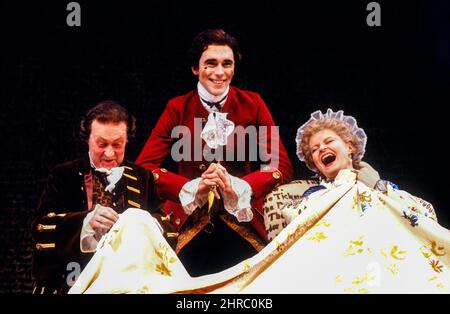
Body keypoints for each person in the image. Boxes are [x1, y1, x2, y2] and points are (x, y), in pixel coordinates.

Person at [69, 108, 449, 294]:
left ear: (349, 146)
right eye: (315, 149)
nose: (322, 150)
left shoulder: (388, 189)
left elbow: (420, 219)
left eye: (329, 143)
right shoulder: (296, 195)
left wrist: (369, 186)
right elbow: (289, 244)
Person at [136, 29, 293, 276]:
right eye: (210, 64)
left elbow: (281, 167)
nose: (220, 72)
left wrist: (240, 186)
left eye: (227, 64)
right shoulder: (177, 107)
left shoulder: (253, 104)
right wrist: (191, 187)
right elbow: (144, 169)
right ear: (195, 69)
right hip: (187, 221)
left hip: (245, 219)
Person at [31, 100, 172, 294]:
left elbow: (168, 229)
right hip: (73, 283)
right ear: (87, 139)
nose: (109, 153)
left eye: (117, 145)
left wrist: (143, 222)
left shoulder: (142, 176)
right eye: (101, 144)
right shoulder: (63, 175)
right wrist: (86, 222)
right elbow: (41, 228)